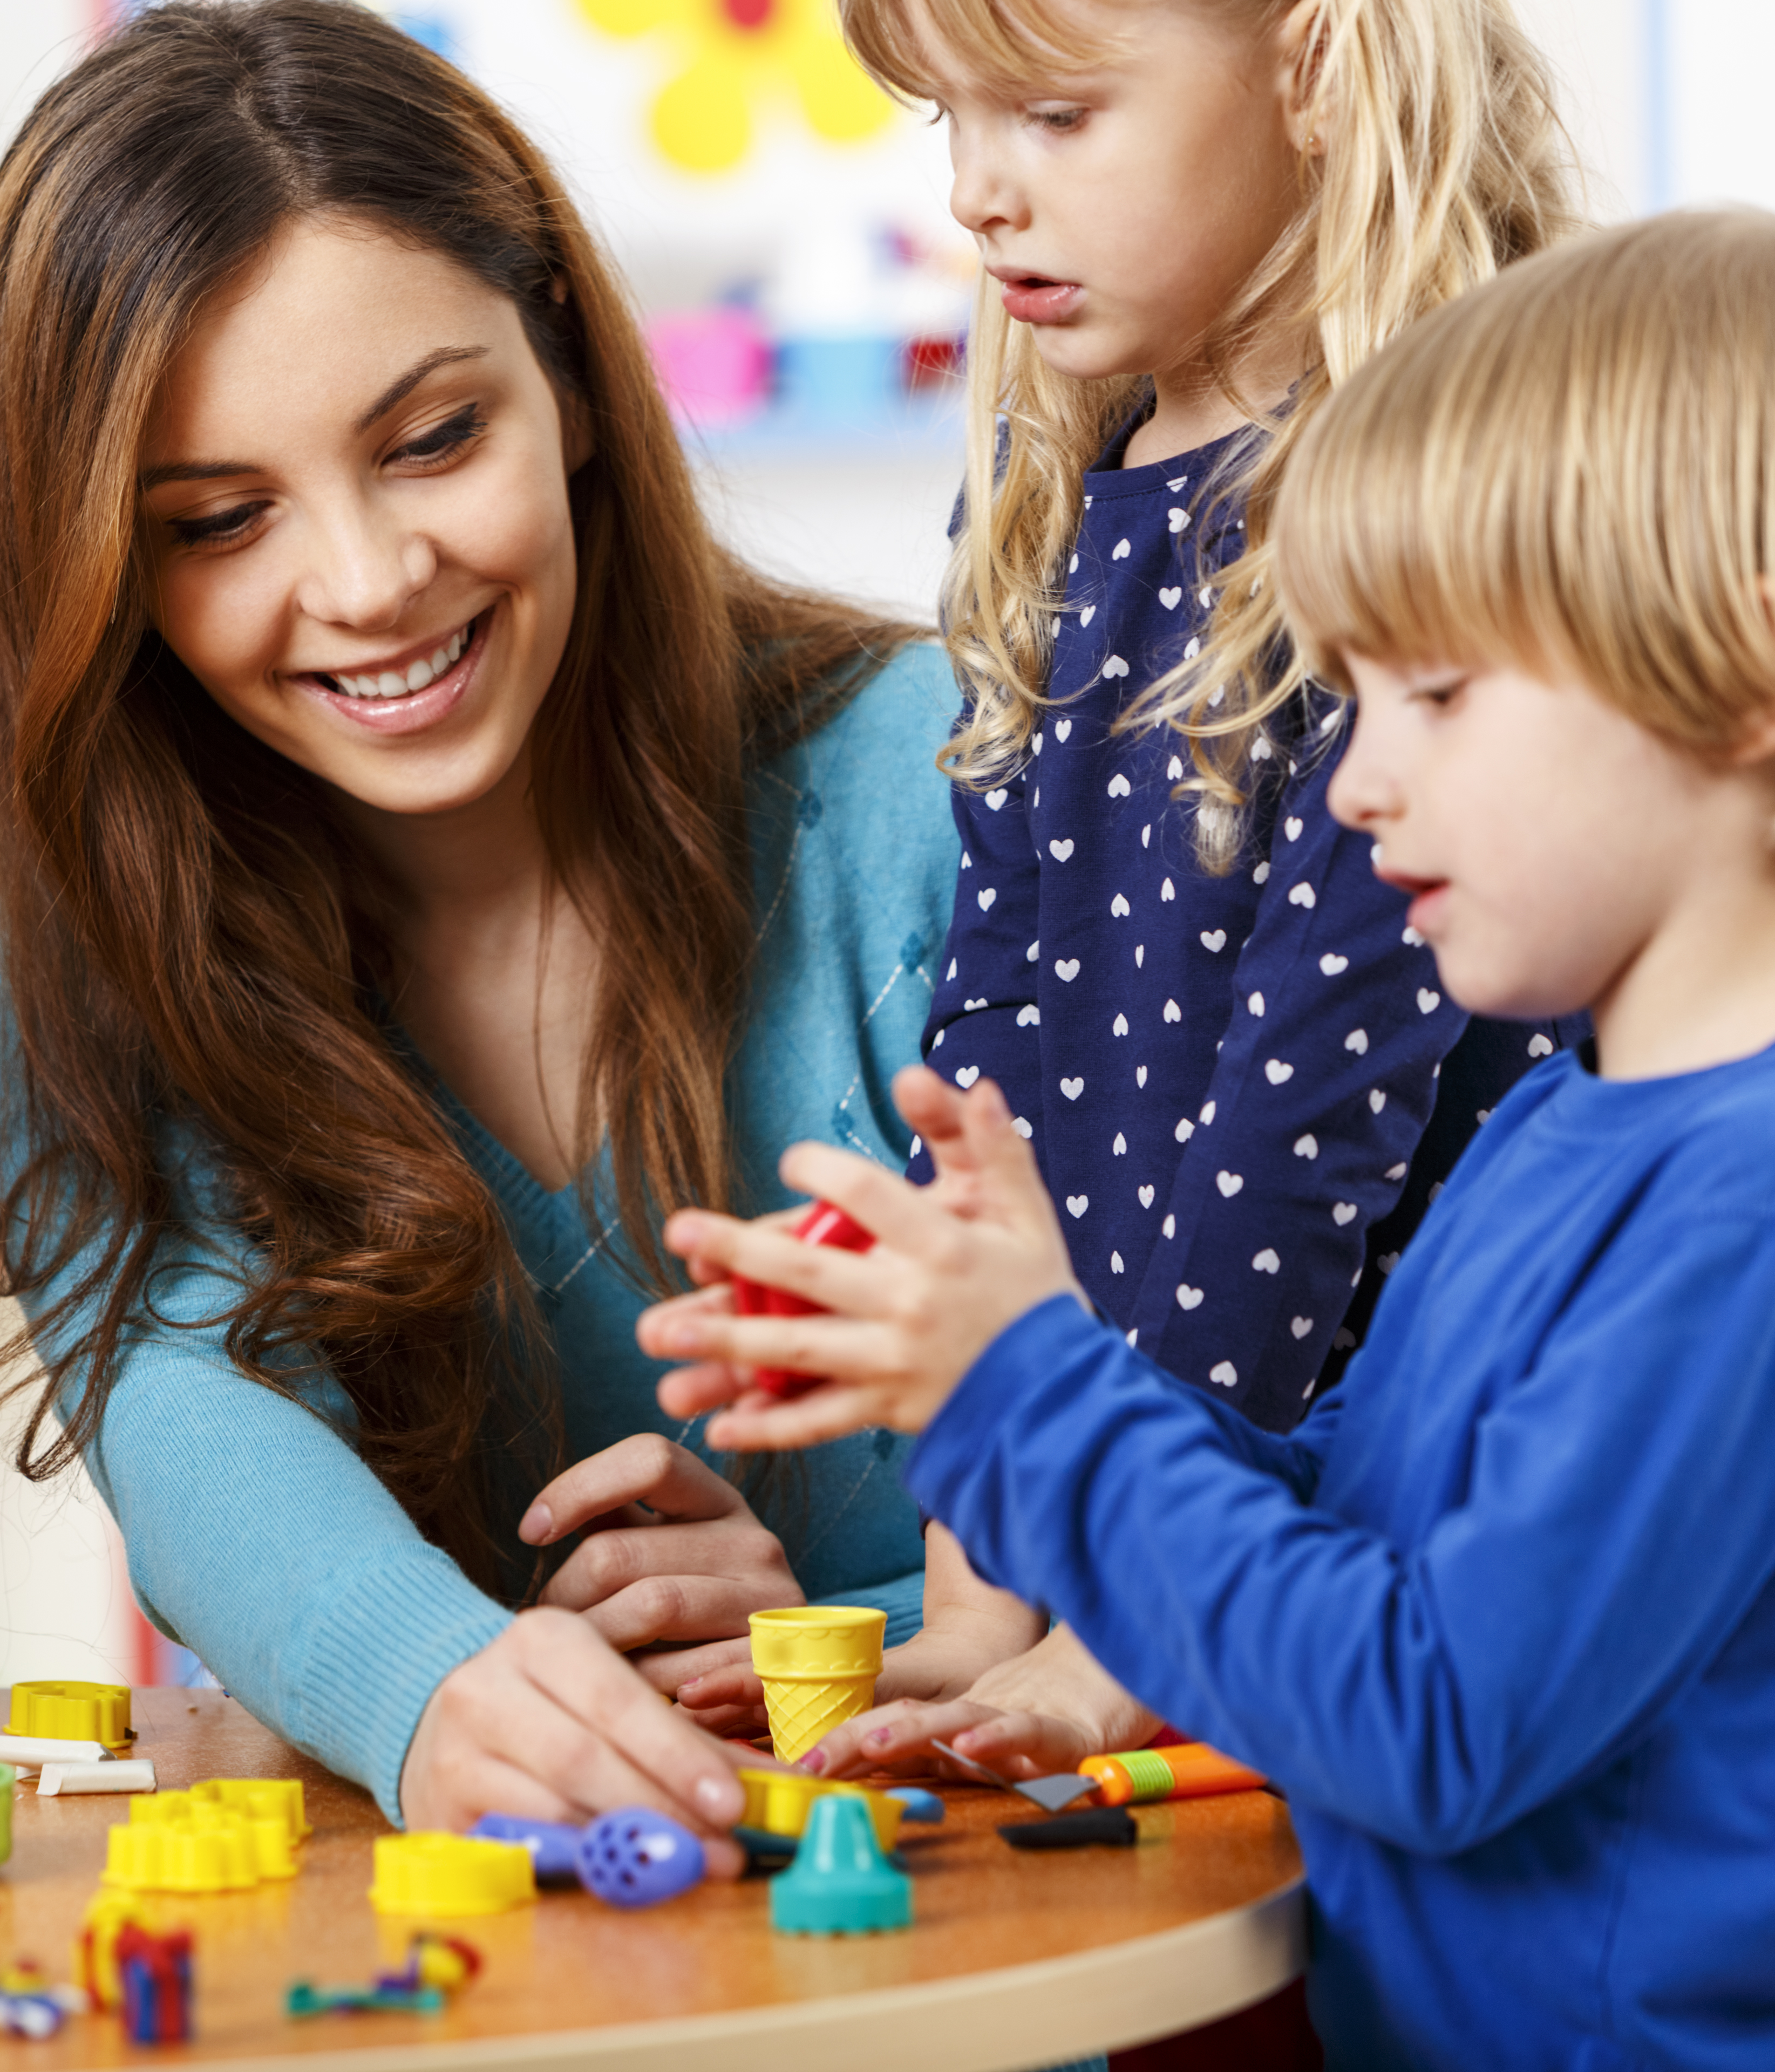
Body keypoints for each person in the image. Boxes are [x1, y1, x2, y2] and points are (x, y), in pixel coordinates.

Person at [649, 208, 1775, 2072]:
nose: (1356, 781)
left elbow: (1432, 1714)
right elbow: (1361, 1501)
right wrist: (1030, 1412)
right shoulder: (1573, 1124)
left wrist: (1038, 1400)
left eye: (1435, 693)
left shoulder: (1736, 1220)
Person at [0, 0, 961, 1843]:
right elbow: (178, 1377)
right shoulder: (69, 921)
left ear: (567, 378)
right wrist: (433, 1684)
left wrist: (827, 1652)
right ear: (98, 571)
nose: (365, 582)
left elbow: (1184, 1504)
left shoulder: (932, 791)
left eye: (430, 439)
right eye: (220, 519)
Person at [672, 0, 1584, 1772]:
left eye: (1054, 115)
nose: (978, 198)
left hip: (1338, 1549)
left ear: (1314, 66)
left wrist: (1125, 1621)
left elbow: (1301, 1127)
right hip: (1124, 1518)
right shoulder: (1063, 488)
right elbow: (991, 1089)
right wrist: (975, 1593)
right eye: (950, 121)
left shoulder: (1398, 508)